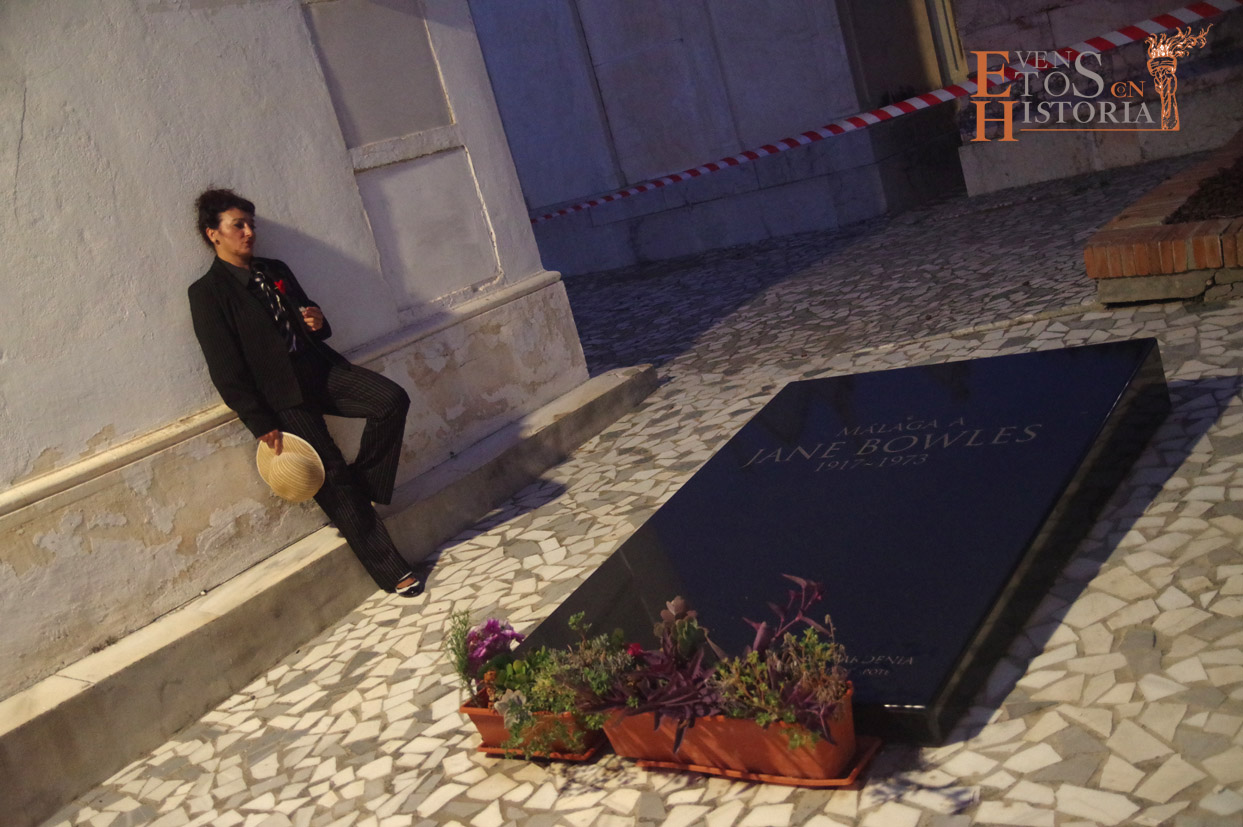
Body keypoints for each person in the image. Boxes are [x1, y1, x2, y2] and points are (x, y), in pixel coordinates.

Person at [187, 188, 425, 597]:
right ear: (213, 234)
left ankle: (363, 484)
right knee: (331, 476)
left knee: (390, 400)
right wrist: (259, 421)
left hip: (320, 371)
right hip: (281, 398)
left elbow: (308, 318)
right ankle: (393, 571)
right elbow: (224, 368)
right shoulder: (208, 294)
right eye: (238, 225)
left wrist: (317, 320)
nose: (249, 232)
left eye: (251, 224)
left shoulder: (274, 269)